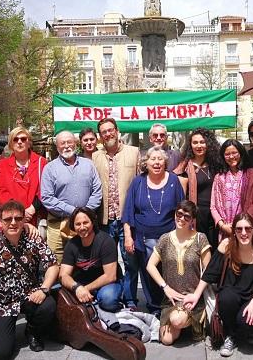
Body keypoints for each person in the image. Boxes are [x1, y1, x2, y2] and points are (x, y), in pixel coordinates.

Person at [0, 200, 59, 357]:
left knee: (48, 306)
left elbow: (53, 265)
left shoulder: (33, 239)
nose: (13, 223)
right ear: (0, 222)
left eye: (18, 219)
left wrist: (44, 289)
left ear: (24, 220)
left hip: (29, 295)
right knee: (0, 353)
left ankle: (32, 331)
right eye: (8, 219)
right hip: (2, 303)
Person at [183, 213, 253, 357]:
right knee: (226, 297)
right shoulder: (226, 245)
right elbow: (210, 273)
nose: (243, 233)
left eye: (248, 229)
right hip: (232, 297)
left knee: (246, 324)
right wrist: (196, 295)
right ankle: (231, 335)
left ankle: (252, 329)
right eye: (239, 229)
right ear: (234, 231)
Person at [122, 146, 185, 315]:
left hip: (169, 237)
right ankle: (154, 308)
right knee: (148, 273)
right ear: (146, 162)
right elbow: (128, 211)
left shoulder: (173, 180)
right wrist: (128, 237)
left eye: (160, 159)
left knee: (170, 271)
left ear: (165, 162)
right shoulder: (138, 182)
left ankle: (170, 303)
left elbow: (182, 210)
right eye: (153, 159)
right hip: (144, 237)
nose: (156, 163)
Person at [146, 200, 211, 345]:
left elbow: (209, 271)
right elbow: (150, 265)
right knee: (166, 340)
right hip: (171, 298)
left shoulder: (201, 239)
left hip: (193, 297)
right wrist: (165, 287)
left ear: (192, 220)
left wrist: (196, 295)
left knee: (176, 320)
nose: (181, 219)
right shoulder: (165, 239)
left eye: (186, 217)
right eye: (179, 214)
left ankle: (197, 320)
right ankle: (185, 324)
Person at [92, 117, 140, 309]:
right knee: (108, 262)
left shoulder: (133, 152)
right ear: (100, 136)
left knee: (130, 261)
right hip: (104, 219)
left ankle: (130, 300)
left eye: (110, 130)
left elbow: (139, 184)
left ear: (117, 130)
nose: (108, 134)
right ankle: (114, 295)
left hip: (126, 219)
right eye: (104, 132)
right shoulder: (95, 156)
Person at [41, 131, 102, 263]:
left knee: (86, 262)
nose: (67, 146)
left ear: (76, 144)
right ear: (57, 147)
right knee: (56, 264)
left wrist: (84, 214)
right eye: (63, 143)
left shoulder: (88, 165)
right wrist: (74, 212)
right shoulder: (49, 168)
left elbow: (97, 191)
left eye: (70, 142)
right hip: (58, 226)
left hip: (86, 224)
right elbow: (46, 197)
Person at [60, 207, 123, 312]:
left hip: (106, 284)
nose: (82, 227)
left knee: (108, 300)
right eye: (78, 224)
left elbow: (110, 276)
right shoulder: (71, 245)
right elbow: (63, 275)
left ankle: (118, 302)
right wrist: (77, 288)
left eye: (86, 223)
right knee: (58, 296)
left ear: (93, 222)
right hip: (81, 283)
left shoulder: (106, 241)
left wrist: (85, 289)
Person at [173, 128, 222, 247]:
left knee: (215, 248)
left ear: (208, 144)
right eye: (195, 142)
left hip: (216, 214)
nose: (199, 146)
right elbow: (181, 197)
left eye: (202, 142)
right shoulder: (184, 167)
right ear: (190, 145)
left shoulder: (217, 164)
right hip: (197, 215)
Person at [211, 139, 253, 240]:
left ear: (241, 153)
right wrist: (222, 225)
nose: (231, 157)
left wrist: (242, 224)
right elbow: (213, 206)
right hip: (226, 231)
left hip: (247, 229)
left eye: (234, 153)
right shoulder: (219, 177)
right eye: (227, 154)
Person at [0, 127, 48, 228]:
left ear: (29, 142)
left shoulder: (42, 162)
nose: (19, 142)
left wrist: (32, 209)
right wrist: (18, 213)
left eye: (23, 139)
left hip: (34, 216)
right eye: (15, 139)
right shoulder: (2, 165)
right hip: (12, 219)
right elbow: (1, 191)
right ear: (11, 143)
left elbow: (45, 189)